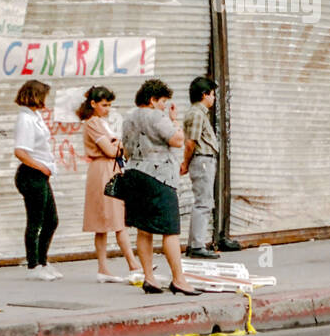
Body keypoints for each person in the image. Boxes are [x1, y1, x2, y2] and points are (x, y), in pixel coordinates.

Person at [121, 80, 200, 295]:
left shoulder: (128, 118)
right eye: (163, 101)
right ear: (152, 100)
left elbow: (125, 150)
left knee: (144, 230)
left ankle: (149, 278)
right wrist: (175, 122)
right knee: (170, 230)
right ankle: (179, 279)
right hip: (159, 176)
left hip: (134, 173)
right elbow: (176, 140)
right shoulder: (156, 116)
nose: (165, 106)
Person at [78, 86, 143, 283]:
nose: (107, 109)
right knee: (114, 218)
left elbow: (116, 147)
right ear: (93, 104)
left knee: (108, 219)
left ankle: (106, 267)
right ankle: (133, 264)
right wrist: (120, 145)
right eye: (104, 105)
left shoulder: (101, 123)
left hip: (109, 169)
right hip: (104, 170)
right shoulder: (93, 124)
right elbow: (110, 150)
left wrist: (118, 145)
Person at [13, 80, 60, 281]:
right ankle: (33, 265)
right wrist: (41, 166)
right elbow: (20, 151)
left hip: (41, 174)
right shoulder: (25, 119)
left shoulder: (35, 116)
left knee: (51, 220)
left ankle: (42, 261)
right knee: (36, 221)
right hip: (31, 175)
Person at [181, 76, 222, 259]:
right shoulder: (197, 114)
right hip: (202, 159)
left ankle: (193, 244)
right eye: (212, 94)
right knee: (204, 202)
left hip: (203, 159)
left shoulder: (199, 113)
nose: (213, 98)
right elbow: (190, 143)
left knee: (203, 201)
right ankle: (197, 246)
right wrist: (185, 163)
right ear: (204, 94)